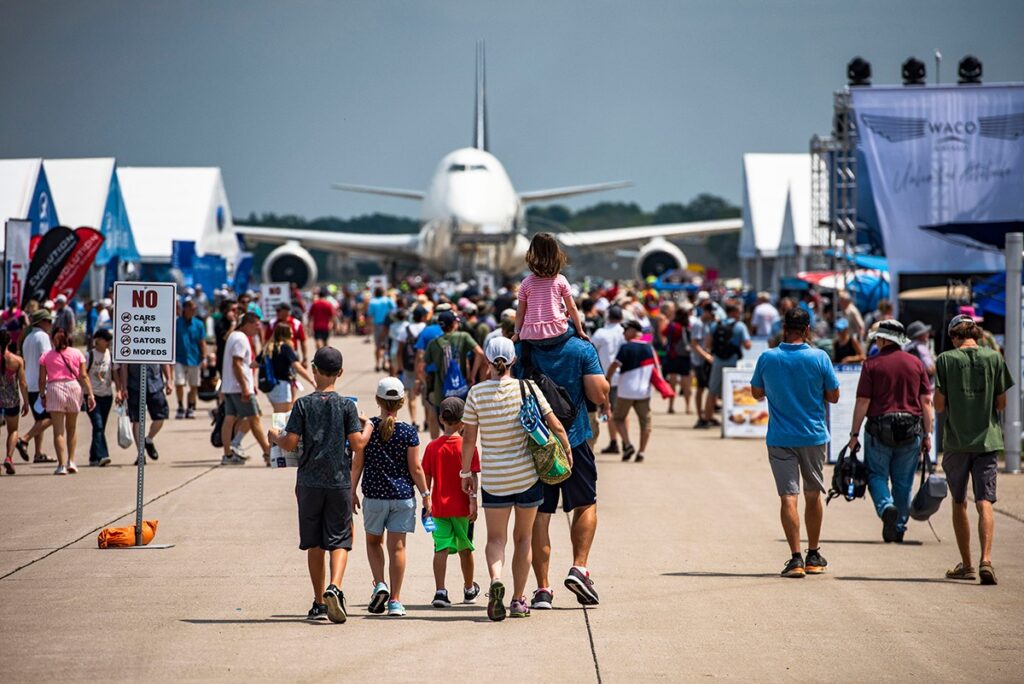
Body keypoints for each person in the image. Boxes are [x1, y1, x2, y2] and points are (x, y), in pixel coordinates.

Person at [461, 337, 570, 620]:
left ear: (488, 360)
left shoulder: (476, 393)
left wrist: (466, 474)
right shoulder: (528, 387)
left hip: (495, 479)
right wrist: (566, 449)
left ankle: (496, 579)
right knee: (523, 538)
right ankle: (518, 600)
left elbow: (469, 439)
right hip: (527, 478)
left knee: (495, 538)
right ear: (513, 360)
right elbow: (553, 422)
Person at [513, 320, 608, 609]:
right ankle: (579, 568)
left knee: (540, 514)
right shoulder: (581, 348)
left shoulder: (522, 349)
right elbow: (597, 394)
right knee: (585, 503)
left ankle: (543, 590)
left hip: (536, 443)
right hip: (575, 438)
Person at [268, 346, 366, 623]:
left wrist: (274, 435)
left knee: (314, 543)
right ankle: (335, 586)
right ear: (341, 373)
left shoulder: (302, 404)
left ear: (313, 370)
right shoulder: (347, 405)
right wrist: (368, 425)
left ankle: (318, 600)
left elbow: (289, 442)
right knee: (339, 539)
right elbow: (357, 444)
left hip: (309, 482)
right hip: (338, 482)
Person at [750, 308, 840, 578]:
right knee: (813, 494)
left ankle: (795, 558)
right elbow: (834, 396)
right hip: (813, 435)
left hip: (780, 437)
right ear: (807, 329)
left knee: (788, 496)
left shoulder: (767, 357)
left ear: (784, 328)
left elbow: (756, 393)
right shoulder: (820, 357)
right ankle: (814, 554)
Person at [934, 314, 1013, 585]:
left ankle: (967, 564)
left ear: (955, 337)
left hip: (957, 441)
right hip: (988, 440)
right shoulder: (994, 358)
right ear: (976, 334)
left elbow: (939, 406)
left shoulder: (945, 360)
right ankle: (986, 560)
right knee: (985, 500)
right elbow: (1001, 404)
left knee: (959, 501)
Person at [847, 320, 933, 543]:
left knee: (876, 475)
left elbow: (863, 401)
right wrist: (928, 434)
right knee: (904, 482)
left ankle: (886, 508)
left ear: (884, 339)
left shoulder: (871, 364)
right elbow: (926, 402)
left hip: (878, 429)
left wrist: (854, 434)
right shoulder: (916, 364)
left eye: (877, 338)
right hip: (911, 429)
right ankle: (899, 525)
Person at [351, 377, 428, 617]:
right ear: (402, 402)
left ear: (378, 401)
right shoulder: (408, 431)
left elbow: (357, 464)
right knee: (398, 548)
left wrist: (351, 490)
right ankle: (395, 600)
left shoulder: (369, 428)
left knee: (374, 542)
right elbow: (415, 468)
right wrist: (426, 494)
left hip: (374, 496)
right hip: (402, 497)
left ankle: (379, 583)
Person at [422, 396, 481, 608]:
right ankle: (468, 589)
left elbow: (426, 477)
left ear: (441, 419)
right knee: (466, 547)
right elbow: (473, 477)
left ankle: (440, 591)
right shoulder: (468, 447)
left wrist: (426, 501)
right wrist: (473, 501)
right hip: (462, 508)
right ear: (463, 421)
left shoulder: (432, 447)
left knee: (441, 548)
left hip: (438, 508)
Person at [39, 327, 96, 475]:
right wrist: (90, 394)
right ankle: (72, 461)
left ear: (53, 339)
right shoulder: (77, 353)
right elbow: (83, 376)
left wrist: (42, 395)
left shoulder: (46, 356)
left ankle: (61, 465)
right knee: (72, 428)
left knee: (58, 431)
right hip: (73, 387)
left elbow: (41, 379)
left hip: (54, 388)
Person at [514, 233, 589, 343]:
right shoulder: (561, 280)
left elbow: (520, 312)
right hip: (557, 330)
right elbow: (572, 307)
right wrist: (580, 330)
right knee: (572, 329)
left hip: (532, 333)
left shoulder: (526, 283)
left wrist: (516, 333)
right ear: (556, 255)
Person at [220, 312, 271, 466]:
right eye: (256, 324)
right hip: (238, 388)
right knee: (255, 418)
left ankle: (228, 453)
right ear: (247, 324)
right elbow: (237, 364)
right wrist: (245, 388)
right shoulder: (241, 339)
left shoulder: (234, 336)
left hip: (230, 386)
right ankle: (268, 453)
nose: (259, 327)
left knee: (229, 419)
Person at [606, 320, 655, 463]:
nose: (623, 333)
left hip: (626, 390)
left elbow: (615, 365)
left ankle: (627, 444)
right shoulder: (648, 347)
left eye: (625, 330)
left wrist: (607, 378)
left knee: (618, 418)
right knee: (645, 422)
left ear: (633, 331)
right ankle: (642, 452)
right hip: (643, 391)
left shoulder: (626, 347)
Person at [702, 302, 752, 428]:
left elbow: (707, 344)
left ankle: (707, 418)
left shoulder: (716, 325)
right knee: (732, 392)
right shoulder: (740, 326)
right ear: (734, 312)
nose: (740, 314)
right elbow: (748, 345)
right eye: (739, 311)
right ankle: (732, 421)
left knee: (712, 390)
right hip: (733, 362)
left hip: (718, 361)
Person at [423, 311, 484, 412]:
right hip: (462, 390)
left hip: (441, 392)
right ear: (453, 323)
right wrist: (472, 376)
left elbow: (424, 365)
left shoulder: (433, 343)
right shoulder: (464, 336)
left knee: (445, 424)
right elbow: (480, 353)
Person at [117, 362, 173, 464]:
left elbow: (165, 360)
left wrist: (169, 380)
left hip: (156, 385)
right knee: (137, 420)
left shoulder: (157, 345)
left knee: (161, 417)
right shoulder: (130, 345)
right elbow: (124, 365)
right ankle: (140, 454)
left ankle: (149, 439)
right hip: (134, 386)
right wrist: (123, 387)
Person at [17, 310, 53, 463]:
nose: (51, 324)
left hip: (30, 384)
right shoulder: (43, 337)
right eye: (49, 321)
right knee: (51, 417)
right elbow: (47, 360)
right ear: (41, 322)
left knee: (39, 420)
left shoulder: (28, 338)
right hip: (40, 384)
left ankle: (38, 453)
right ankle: (24, 439)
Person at [592, 305, 626, 454]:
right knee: (622, 412)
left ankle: (614, 441)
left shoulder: (601, 333)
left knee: (608, 410)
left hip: (604, 377)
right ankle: (625, 441)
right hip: (623, 377)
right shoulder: (625, 332)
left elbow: (591, 350)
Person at [264, 322, 315, 413]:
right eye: (290, 333)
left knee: (280, 416)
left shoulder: (268, 347)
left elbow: (253, 364)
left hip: (270, 387)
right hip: (281, 387)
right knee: (281, 420)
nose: (292, 335)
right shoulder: (285, 348)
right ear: (285, 334)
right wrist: (311, 380)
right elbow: (298, 367)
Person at [0, 330, 29, 475]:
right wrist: (26, 402)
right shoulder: (17, 360)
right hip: (11, 399)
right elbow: (23, 383)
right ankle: (9, 458)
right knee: (13, 430)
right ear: (9, 342)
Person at [86, 329, 115, 467]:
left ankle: (93, 457)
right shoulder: (89, 355)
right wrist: (85, 394)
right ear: (97, 340)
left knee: (100, 427)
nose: (108, 342)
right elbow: (82, 375)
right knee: (98, 425)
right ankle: (103, 455)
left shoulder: (111, 355)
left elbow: (116, 373)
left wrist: (120, 390)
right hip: (92, 396)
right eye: (105, 339)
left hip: (107, 396)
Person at [174, 299, 207, 419]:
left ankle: (191, 407)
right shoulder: (176, 323)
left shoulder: (199, 324)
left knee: (194, 385)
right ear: (185, 309)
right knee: (179, 383)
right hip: (179, 358)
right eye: (192, 308)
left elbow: (202, 342)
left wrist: (204, 358)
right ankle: (180, 406)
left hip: (195, 358)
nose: (194, 311)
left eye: (195, 309)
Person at [396, 306, 427, 427]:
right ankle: (427, 421)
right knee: (425, 394)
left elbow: (399, 351)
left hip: (408, 365)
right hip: (423, 365)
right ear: (423, 316)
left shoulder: (406, 329)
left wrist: (400, 366)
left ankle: (414, 421)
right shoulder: (426, 329)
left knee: (411, 394)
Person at [663, 306, 692, 415]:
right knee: (686, 384)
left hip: (673, 356)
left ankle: (670, 406)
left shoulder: (673, 326)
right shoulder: (688, 326)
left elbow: (663, 333)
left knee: (672, 383)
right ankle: (688, 407)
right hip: (685, 356)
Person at [691, 302, 715, 428]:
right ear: (705, 311)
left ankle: (709, 415)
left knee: (710, 388)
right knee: (700, 388)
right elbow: (694, 344)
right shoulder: (698, 324)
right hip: (699, 361)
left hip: (707, 361)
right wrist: (706, 356)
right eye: (711, 312)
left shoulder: (709, 324)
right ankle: (700, 416)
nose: (713, 315)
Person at [265, 302, 308, 367]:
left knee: (291, 375)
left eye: (279, 311)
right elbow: (266, 340)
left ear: (287, 311)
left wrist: (305, 358)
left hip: (292, 354)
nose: (277, 313)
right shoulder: (272, 323)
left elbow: (303, 341)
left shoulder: (296, 323)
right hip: (276, 354)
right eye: (276, 311)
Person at [367, 287, 395, 372]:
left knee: (378, 345)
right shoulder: (387, 300)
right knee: (387, 345)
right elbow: (394, 308)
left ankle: (377, 364)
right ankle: (385, 362)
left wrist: (369, 327)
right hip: (387, 325)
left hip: (377, 325)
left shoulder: (372, 302)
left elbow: (370, 314)